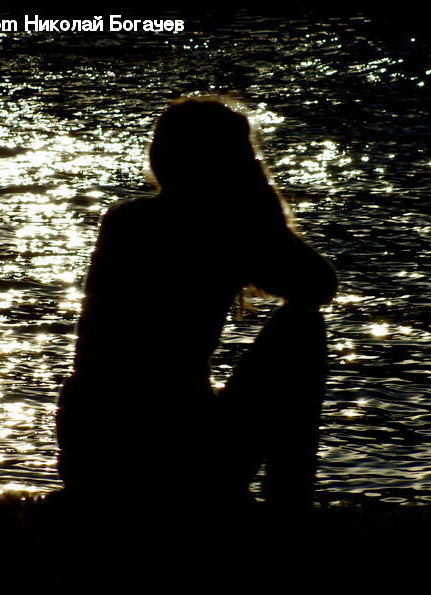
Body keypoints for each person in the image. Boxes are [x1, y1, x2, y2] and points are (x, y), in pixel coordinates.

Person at [56, 96, 337, 511]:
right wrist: (260, 204)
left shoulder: (125, 220)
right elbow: (318, 286)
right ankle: (288, 503)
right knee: (303, 327)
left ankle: (262, 500)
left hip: (92, 457)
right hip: (184, 458)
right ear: (236, 162)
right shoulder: (226, 228)